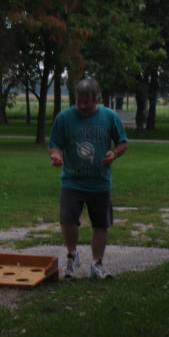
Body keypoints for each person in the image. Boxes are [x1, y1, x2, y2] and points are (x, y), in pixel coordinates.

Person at [48, 78, 128, 279]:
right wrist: (55, 155)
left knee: (101, 224)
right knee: (67, 219)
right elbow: (55, 144)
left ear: (97, 99)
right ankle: (72, 256)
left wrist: (115, 153)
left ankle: (97, 263)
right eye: (79, 101)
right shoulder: (64, 118)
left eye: (87, 102)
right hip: (72, 181)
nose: (82, 106)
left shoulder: (109, 117)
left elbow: (123, 143)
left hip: (100, 181)